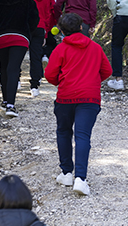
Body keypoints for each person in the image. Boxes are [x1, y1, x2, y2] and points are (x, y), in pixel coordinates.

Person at [45, 13, 112, 197]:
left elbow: (50, 75)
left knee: (63, 132)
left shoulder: (60, 49)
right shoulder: (96, 48)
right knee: (83, 136)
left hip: (65, 97)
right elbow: (107, 70)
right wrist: (92, 79)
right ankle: (80, 179)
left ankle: (66, 172)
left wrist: (62, 80)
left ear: (62, 31)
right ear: (81, 27)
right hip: (89, 98)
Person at [23, 0, 55, 97]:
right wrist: (46, 34)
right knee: (36, 56)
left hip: (25, 28)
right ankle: (35, 85)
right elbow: (47, 14)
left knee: (19, 55)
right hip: (40, 27)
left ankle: (17, 79)